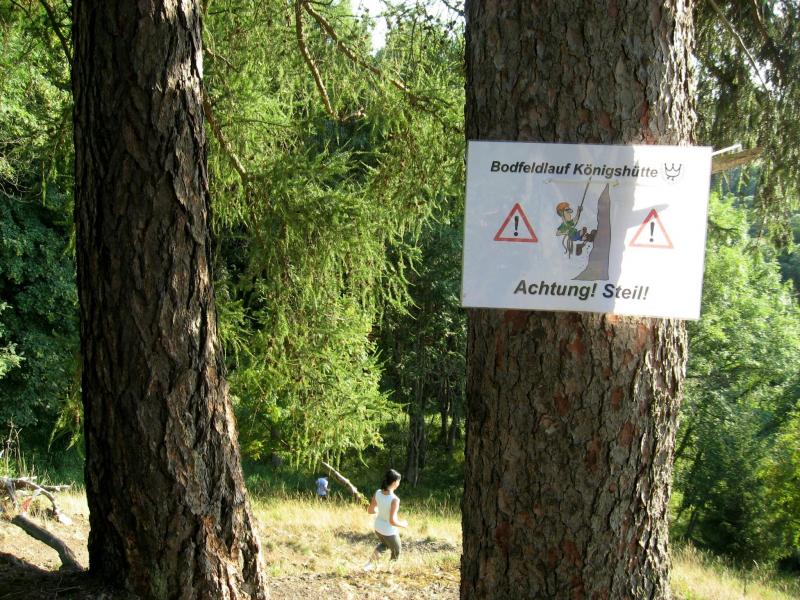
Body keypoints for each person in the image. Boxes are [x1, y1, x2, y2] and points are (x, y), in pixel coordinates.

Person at [363, 469, 408, 570]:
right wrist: (403, 524)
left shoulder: (378, 492)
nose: (399, 483)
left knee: (384, 545)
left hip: (378, 527)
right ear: (395, 482)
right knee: (397, 550)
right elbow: (392, 521)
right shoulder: (395, 499)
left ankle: (368, 565)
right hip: (389, 531)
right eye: (399, 481)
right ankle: (390, 569)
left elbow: (370, 510)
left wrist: (381, 510)